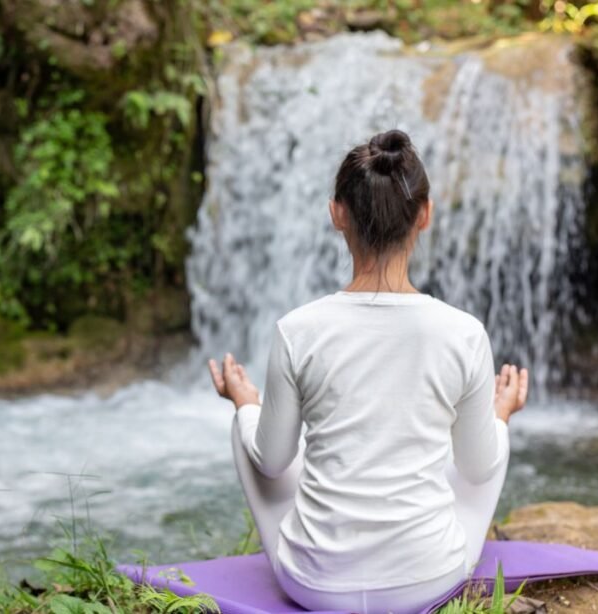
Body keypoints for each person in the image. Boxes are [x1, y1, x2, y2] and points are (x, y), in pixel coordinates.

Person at [207, 129, 529, 614]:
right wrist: (500, 413)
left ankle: (245, 408)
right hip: (427, 580)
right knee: (478, 447)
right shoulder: (464, 333)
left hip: (313, 585)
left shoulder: (297, 329)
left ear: (337, 213)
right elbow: (478, 469)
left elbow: (272, 463)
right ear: (425, 214)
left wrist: (245, 402)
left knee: (248, 426)